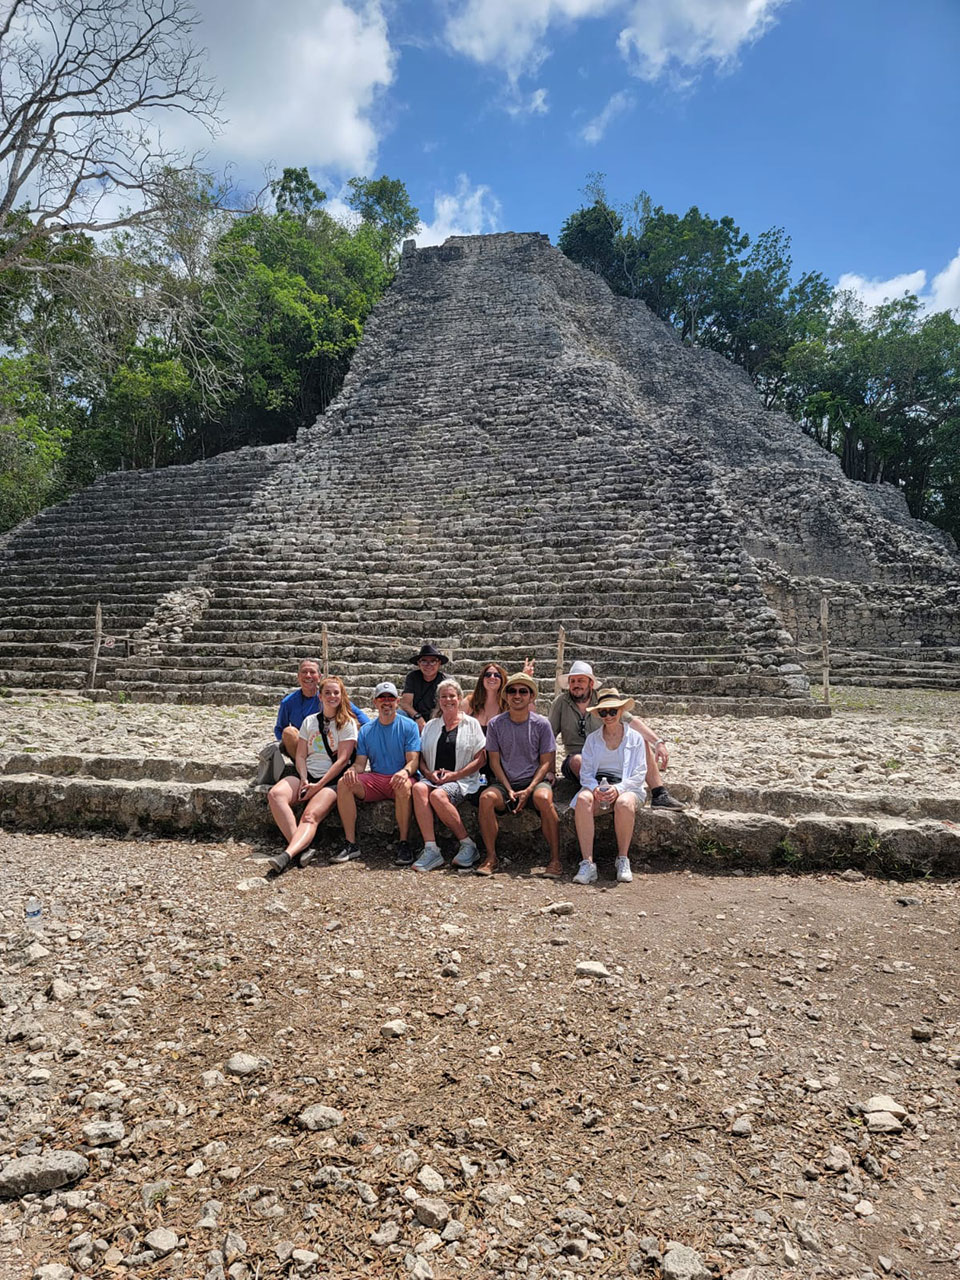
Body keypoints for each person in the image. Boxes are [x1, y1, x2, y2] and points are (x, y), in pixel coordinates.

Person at [548, 660, 683, 809]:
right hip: (577, 759)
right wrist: (550, 771)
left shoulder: (603, 701)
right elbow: (549, 738)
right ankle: (603, 794)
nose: (575, 684)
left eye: (581, 680)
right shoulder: (560, 703)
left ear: (590, 684)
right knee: (578, 760)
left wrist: (658, 742)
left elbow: (632, 722)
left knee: (642, 742)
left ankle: (659, 794)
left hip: (604, 755)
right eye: (572, 681)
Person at [266, 676, 360, 875]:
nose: (332, 696)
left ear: (342, 696)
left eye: (336, 693)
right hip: (307, 774)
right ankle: (303, 848)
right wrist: (303, 779)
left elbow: (342, 760)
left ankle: (287, 855)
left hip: (332, 781)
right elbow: (300, 755)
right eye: (328, 693)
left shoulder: (347, 723)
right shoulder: (310, 721)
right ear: (320, 696)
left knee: (310, 816)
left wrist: (318, 786)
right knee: (275, 795)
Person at [476, 672, 562, 878]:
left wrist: (529, 789)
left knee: (543, 798)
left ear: (531, 696)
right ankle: (491, 857)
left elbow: (546, 762)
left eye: (523, 691)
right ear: (505, 696)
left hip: (534, 781)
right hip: (506, 782)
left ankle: (555, 859)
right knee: (486, 798)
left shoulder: (542, 724)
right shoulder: (496, 724)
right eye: (512, 691)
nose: (517, 695)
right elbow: (494, 761)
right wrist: (508, 789)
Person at [569, 688, 649, 886]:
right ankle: (587, 862)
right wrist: (595, 788)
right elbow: (586, 772)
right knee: (582, 799)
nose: (608, 716)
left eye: (613, 711)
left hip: (628, 787)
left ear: (621, 711)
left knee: (623, 802)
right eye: (604, 712)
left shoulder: (635, 738)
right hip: (599, 785)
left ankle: (623, 858)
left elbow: (639, 774)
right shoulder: (592, 739)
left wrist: (619, 788)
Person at [335, 681, 421, 865]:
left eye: (390, 698)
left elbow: (413, 760)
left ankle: (404, 842)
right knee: (344, 783)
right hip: (377, 778)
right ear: (375, 702)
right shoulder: (366, 730)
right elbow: (360, 763)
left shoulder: (409, 726)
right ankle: (351, 843)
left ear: (397, 702)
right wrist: (351, 771)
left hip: (400, 776)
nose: (386, 702)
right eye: (382, 698)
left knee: (404, 784)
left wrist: (405, 772)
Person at [411, 679, 486, 872]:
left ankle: (467, 844)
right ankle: (431, 849)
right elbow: (420, 758)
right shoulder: (431, 726)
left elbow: (481, 758)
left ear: (459, 698)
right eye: (443, 696)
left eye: (452, 695)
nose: (448, 699)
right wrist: (428, 773)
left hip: (462, 779)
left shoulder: (472, 724)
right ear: (438, 700)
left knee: (438, 795)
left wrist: (456, 775)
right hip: (434, 777)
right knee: (418, 787)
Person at [274, 658, 368, 763]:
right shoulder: (288, 703)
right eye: (304, 672)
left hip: (332, 745)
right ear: (298, 677)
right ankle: (304, 767)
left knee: (352, 723)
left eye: (312, 672)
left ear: (319, 677)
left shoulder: (330, 698)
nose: (308, 675)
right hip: (305, 747)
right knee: (289, 732)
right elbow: (279, 729)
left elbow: (364, 722)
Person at [462, 658, 534, 735]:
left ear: (502, 680)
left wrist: (524, 680)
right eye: (488, 674)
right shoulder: (470, 702)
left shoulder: (508, 705)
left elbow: (529, 711)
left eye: (497, 675)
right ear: (482, 679)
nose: (492, 677)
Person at [400, 643, 450, 731]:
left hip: (439, 717)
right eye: (424, 661)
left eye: (433, 661)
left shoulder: (446, 680)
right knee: (399, 715)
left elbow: (450, 704)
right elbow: (405, 703)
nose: (428, 665)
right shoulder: (412, 677)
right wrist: (417, 717)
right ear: (419, 663)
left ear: (439, 663)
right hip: (416, 717)